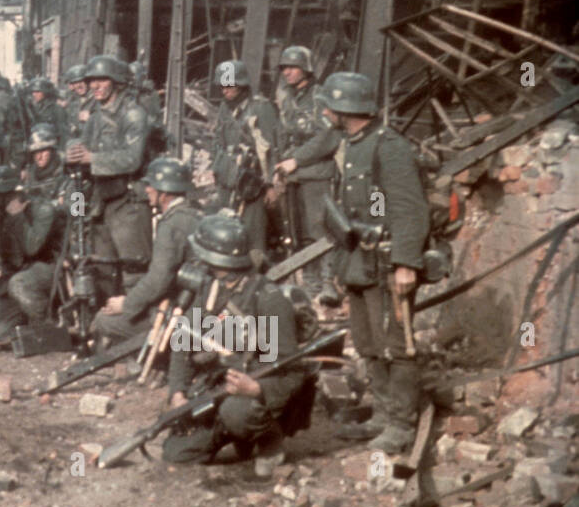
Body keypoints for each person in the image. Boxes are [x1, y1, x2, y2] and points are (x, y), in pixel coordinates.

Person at [320, 71, 429, 453]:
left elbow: (408, 208)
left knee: (397, 344)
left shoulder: (389, 146)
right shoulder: (352, 145)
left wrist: (406, 263)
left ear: (342, 107)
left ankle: (401, 424)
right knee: (367, 342)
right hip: (358, 263)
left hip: (386, 264)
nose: (325, 111)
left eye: (329, 105)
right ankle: (383, 414)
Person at [162, 214, 314, 477]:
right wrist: (178, 392)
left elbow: (291, 372)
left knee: (237, 412)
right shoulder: (210, 288)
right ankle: (235, 435)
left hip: (255, 394)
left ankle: (269, 440)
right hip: (218, 387)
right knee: (176, 453)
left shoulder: (267, 300)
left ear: (219, 261)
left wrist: (257, 389)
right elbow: (184, 339)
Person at [65, 55, 152, 303]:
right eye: (91, 80)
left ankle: (136, 327)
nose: (95, 86)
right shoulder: (95, 117)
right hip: (101, 200)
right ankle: (106, 326)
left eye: (102, 79)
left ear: (116, 82)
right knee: (101, 267)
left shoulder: (133, 114)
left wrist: (92, 158)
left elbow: (132, 159)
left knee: (134, 268)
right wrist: (71, 155)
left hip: (129, 201)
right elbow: (82, 161)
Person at [92, 156, 202, 344]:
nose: (147, 189)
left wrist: (127, 304)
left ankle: (153, 355)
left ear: (165, 191)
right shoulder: (192, 212)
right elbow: (76, 210)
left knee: (105, 318)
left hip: (129, 214)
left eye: (151, 185)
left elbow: (159, 276)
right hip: (102, 222)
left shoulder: (171, 223)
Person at [271, 46, 341, 305]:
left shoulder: (319, 98)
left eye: (292, 67)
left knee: (320, 231)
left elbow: (327, 138)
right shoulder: (288, 99)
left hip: (315, 175)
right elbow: (281, 137)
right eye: (284, 68)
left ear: (306, 69)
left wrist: (296, 160)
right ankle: (311, 289)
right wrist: (278, 169)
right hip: (293, 176)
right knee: (299, 234)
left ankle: (328, 286)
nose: (287, 72)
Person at [0, 126, 67, 341]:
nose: (39, 155)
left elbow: (77, 212)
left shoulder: (69, 179)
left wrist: (59, 208)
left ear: (54, 150)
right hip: (28, 257)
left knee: (21, 284)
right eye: (35, 152)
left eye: (44, 150)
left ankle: (46, 328)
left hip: (55, 257)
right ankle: (25, 317)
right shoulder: (27, 180)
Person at [209, 59, 281, 269]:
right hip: (227, 180)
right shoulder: (225, 108)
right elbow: (217, 142)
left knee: (252, 237)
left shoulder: (261, 107)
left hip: (252, 184)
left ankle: (254, 279)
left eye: (230, 84)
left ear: (242, 84)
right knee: (227, 233)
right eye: (223, 85)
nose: (225, 90)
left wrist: (270, 185)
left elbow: (271, 149)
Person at [28, 78, 67, 146]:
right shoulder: (32, 108)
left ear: (45, 92)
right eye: (33, 92)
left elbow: (63, 133)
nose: (34, 94)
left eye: (38, 91)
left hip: (51, 145)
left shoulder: (56, 109)